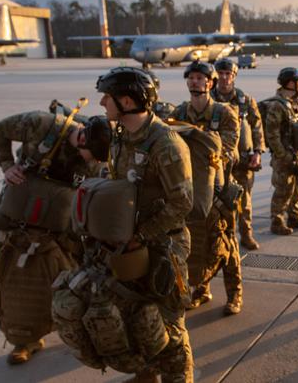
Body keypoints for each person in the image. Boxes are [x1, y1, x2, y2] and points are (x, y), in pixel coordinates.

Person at [77, 66, 195, 382]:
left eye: (108, 97)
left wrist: (141, 235)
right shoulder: (120, 138)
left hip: (163, 245)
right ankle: (147, 373)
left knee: (169, 324)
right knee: (135, 314)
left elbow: (182, 204)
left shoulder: (166, 144)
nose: (102, 103)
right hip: (129, 244)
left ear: (127, 102)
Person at [0, 105, 109, 364]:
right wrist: (7, 166)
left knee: (69, 284)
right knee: (17, 283)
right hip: (21, 222)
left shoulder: (96, 161)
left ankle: (69, 331)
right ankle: (24, 338)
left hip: (61, 231)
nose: (95, 162)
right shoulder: (41, 125)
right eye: (94, 155)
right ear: (83, 139)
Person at [172, 61, 244, 315]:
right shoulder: (180, 112)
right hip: (191, 187)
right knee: (195, 242)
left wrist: (194, 138)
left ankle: (235, 294)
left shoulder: (224, 113)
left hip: (219, 188)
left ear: (209, 83)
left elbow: (226, 149)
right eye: (191, 78)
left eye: (199, 78)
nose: (194, 82)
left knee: (226, 242)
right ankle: (201, 290)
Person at [211, 58, 263, 251]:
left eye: (228, 74)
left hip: (243, 159)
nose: (224, 78)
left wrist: (257, 152)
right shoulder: (208, 99)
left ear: (234, 76)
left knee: (244, 200)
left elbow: (257, 127)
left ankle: (246, 234)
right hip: (218, 160)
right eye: (221, 74)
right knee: (218, 201)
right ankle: (225, 237)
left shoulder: (245, 101)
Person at [265, 68, 298, 235]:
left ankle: (294, 216)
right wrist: (283, 156)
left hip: (297, 153)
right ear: (290, 83)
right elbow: (272, 135)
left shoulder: (295, 101)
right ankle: (277, 221)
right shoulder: (277, 105)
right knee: (283, 190)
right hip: (283, 155)